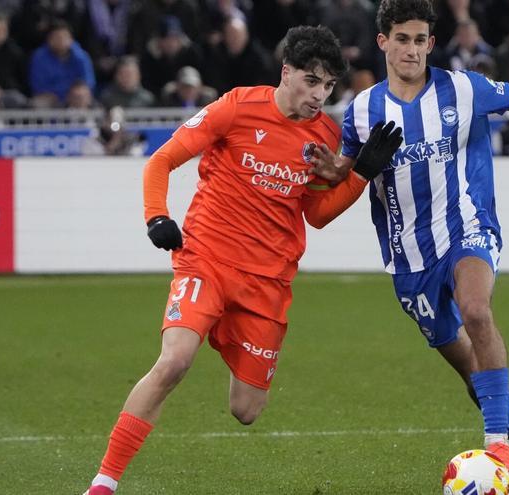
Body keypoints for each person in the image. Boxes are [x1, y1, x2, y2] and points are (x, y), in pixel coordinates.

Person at [81, 25, 402, 495]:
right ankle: (103, 484)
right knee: (173, 362)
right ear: (286, 71)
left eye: (329, 85)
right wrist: (156, 218)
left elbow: (317, 215)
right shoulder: (237, 106)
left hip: (266, 283)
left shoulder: (323, 137)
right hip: (205, 260)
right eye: (312, 81)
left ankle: (225, 334)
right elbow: (160, 161)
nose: (320, 94)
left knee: (246, 410)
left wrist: (361, 175)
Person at [339, 1, 509, 494]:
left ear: (431, 43)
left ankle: (497, 449)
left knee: (476, 310)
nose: (412, 49)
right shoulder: (361, 110)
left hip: (468, 226)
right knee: (474, 375)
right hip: (408, 258)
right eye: (402, 39)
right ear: (383, 42)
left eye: (421, 39)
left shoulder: (463, 88)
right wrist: (328, 168)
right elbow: (342, 177)